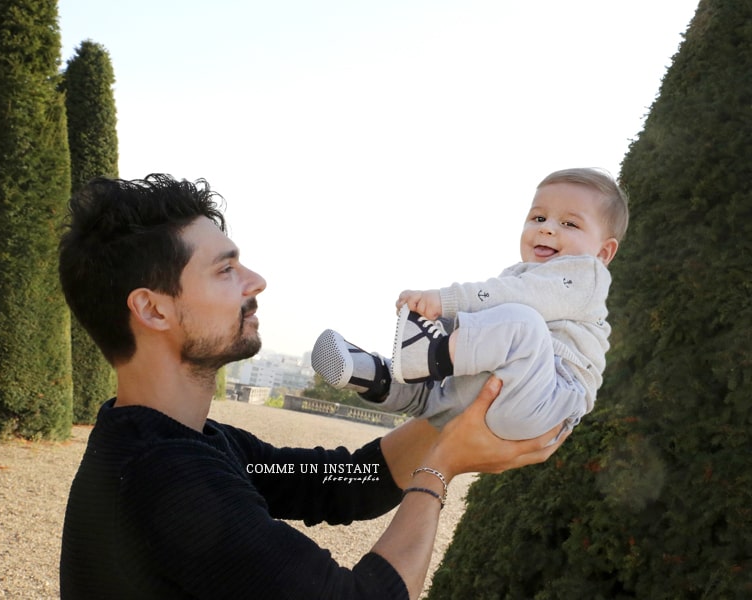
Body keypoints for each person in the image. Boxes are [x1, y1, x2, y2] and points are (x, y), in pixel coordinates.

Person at [57, 174, 566, 600]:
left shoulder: (184, 442)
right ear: (153, 309)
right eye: (226, 269)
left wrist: (454, 414)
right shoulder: (165, 478)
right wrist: (440, 469)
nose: (256, 280)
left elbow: (343, 482)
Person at [311, 167, 628, 441]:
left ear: (603, 253)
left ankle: (427, 357)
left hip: (549, 400)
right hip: (497, 396)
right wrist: (442, 319)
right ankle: (377, 377)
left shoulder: (588, 276)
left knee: (519, 322)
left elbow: (512, 297)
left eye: (569, 224)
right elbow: (492, 309)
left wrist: (444, 301)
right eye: (539, 217)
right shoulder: (517, 277)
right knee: (438, 389)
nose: (547, 228)